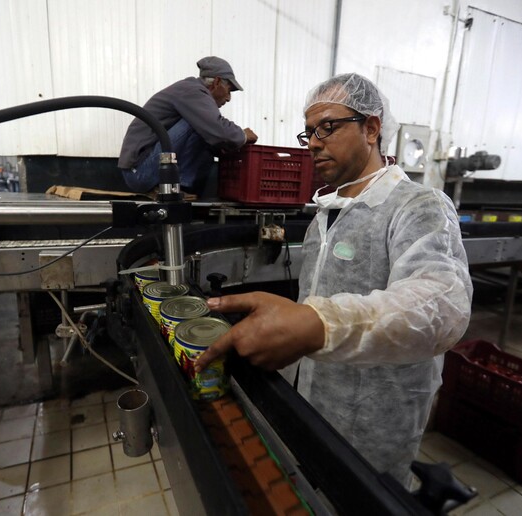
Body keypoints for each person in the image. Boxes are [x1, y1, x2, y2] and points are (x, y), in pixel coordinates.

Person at [195, 73, 473, 487]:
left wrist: (317, 323)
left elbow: (441, 305)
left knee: (364, 493)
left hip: (381, 410)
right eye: (308, 132)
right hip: (318, 394)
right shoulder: (325, 213)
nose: (313, 142)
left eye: (327, 127)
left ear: (372, 128)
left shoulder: (418, 205)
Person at [118, 56, 258, 195]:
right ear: (217, 82)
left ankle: (184, 188)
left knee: (209, 140)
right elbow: (219, 130)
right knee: (201, 125)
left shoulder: (191, 93)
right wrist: (243, 135)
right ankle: (180, 188)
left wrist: (230, 146)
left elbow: (219, 138)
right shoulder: (192, 91)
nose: (228, 98)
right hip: (139, 172)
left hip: (145, 170)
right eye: (229, 90)